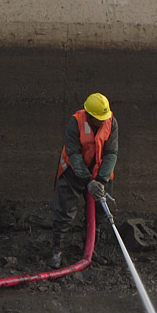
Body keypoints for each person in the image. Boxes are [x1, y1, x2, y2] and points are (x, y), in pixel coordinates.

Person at [48, 92, 119, 268]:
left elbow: (111, 153)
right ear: (89, 116)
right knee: (64, 211)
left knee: (98, 214)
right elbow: (73, 154)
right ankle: (57, 251)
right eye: (99, 119)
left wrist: (101, 181)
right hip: (73, 172)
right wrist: (88, 181)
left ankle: (90, 250)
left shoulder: (111, 122)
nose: (103, 122)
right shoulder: (76, 122)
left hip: (100, 173)